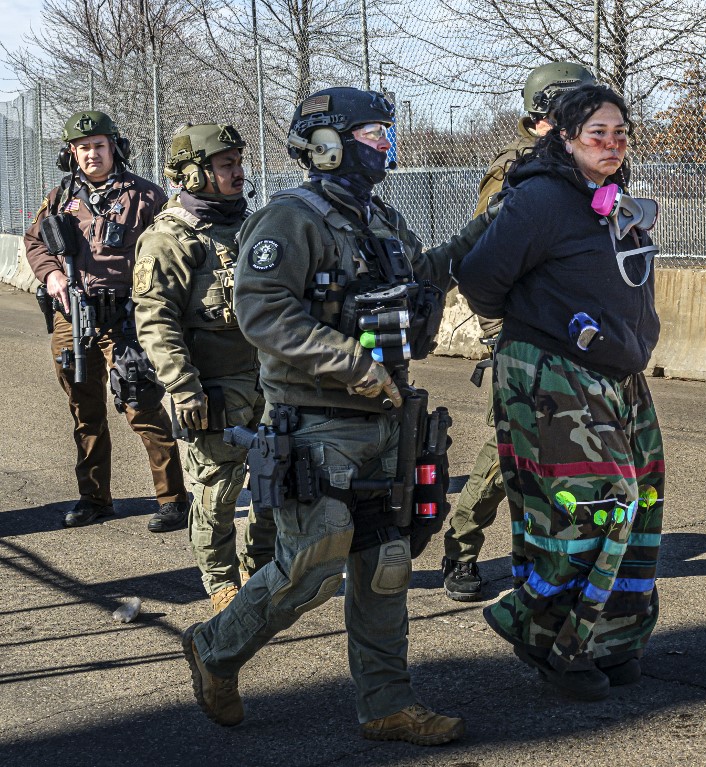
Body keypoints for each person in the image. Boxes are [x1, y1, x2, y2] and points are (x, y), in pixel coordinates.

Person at [180, 87, 490, 743]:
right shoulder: (290, 219)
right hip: (313, 420)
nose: (387, 143)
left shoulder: (379, 218)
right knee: (310, 567)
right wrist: (355, 364)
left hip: (385, 418)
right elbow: (263, 309)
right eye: (375, 132)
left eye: (386, 131)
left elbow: (421, 277)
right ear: (328, 143)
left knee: (386, 563)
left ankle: (386, 702)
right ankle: (215, 647)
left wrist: (486, 226)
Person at [456, 84, 664, 702]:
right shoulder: (541, 198)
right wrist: (537, 324)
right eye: (598, 132)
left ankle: (613, 637)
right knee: (594, 503)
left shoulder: (607, 200)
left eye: (620, 132)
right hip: (551, 371)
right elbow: (478, 278)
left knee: (643, 495)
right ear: (565, 137)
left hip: (615, 372)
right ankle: (545, 633)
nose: (612, 143)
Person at [442, 60, 596, 602]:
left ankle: (544, 558)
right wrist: (499, 336)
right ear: (540, 118)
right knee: (508, 451)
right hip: (524, 338)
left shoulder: (587, 169)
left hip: (576, 339)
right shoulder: (516, 171)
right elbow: (484, 260)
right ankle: (461, 548)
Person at [133, 123, 277, 614]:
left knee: (278, 479)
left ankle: (264, 568)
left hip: (272, 380)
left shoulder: (255, 226)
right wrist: (183, 387)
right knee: (217, 488)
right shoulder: (169, 239)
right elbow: (155, 319)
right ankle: (220, 582)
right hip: (214, 387)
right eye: (226, 164)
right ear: (194, 175)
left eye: (239, 162)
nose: (238, 172)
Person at [25, 110, 189, 531]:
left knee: (143, 406)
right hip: (71, 319)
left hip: (125, 318)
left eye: (98, 145)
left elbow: (175, 244)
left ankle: (173, 500)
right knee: (85, 411)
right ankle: (94, 498)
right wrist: (53, 274)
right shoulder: (61, 197)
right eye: (82, 148)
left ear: (114, 147)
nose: (91, 154)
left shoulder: (146, 196)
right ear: (71, 155)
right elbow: (34, 240)